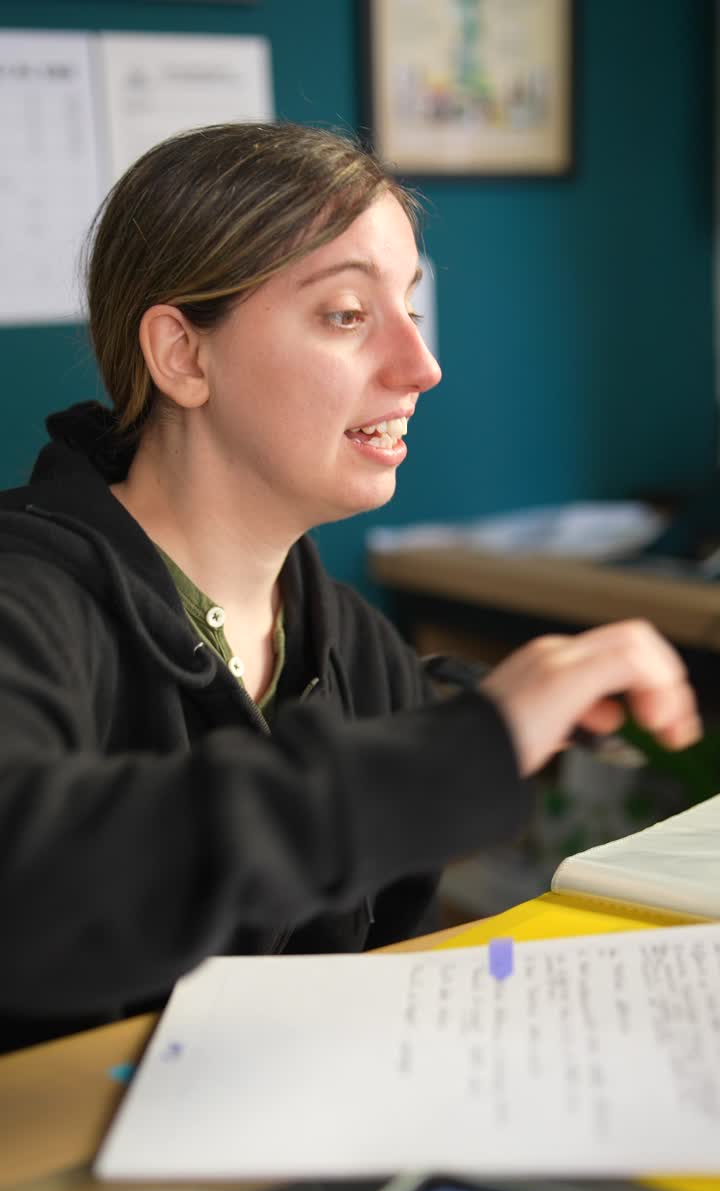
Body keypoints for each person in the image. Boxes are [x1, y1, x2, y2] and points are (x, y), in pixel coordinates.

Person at [0, 122, 700, 1053]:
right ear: (183, 355)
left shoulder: (356, 647)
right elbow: (32, 893)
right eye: (344, 314)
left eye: (410, 307)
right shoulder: (27, 602)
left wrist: (483, 717)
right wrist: (459, 750)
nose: (421, 367)